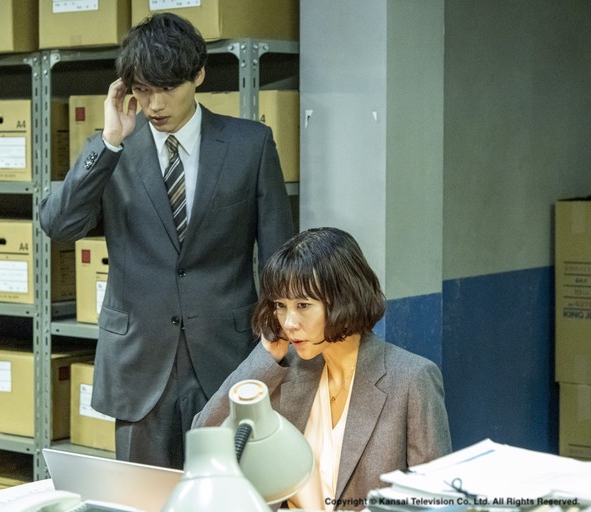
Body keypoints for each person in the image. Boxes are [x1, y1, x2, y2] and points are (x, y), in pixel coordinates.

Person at [39, 13, 293, 469]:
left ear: (199, 75)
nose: (154, 104)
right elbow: (59, 225)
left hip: (226, 354)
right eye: (142, 89)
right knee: (142, 496)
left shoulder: (250, 145)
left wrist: (276, 350)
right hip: (139, 362)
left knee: (226, 491)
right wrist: (110, 141)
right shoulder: (113, 150)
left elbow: (278, 255)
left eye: (168, 88)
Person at [193, 227, 451, 510]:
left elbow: (435, 500)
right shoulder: (282, 370)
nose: (288, 323)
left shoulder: (411, 379)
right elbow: (205, 440)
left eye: (303, 305)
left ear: (344, 299)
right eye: (280, 305)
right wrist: (264, 361)